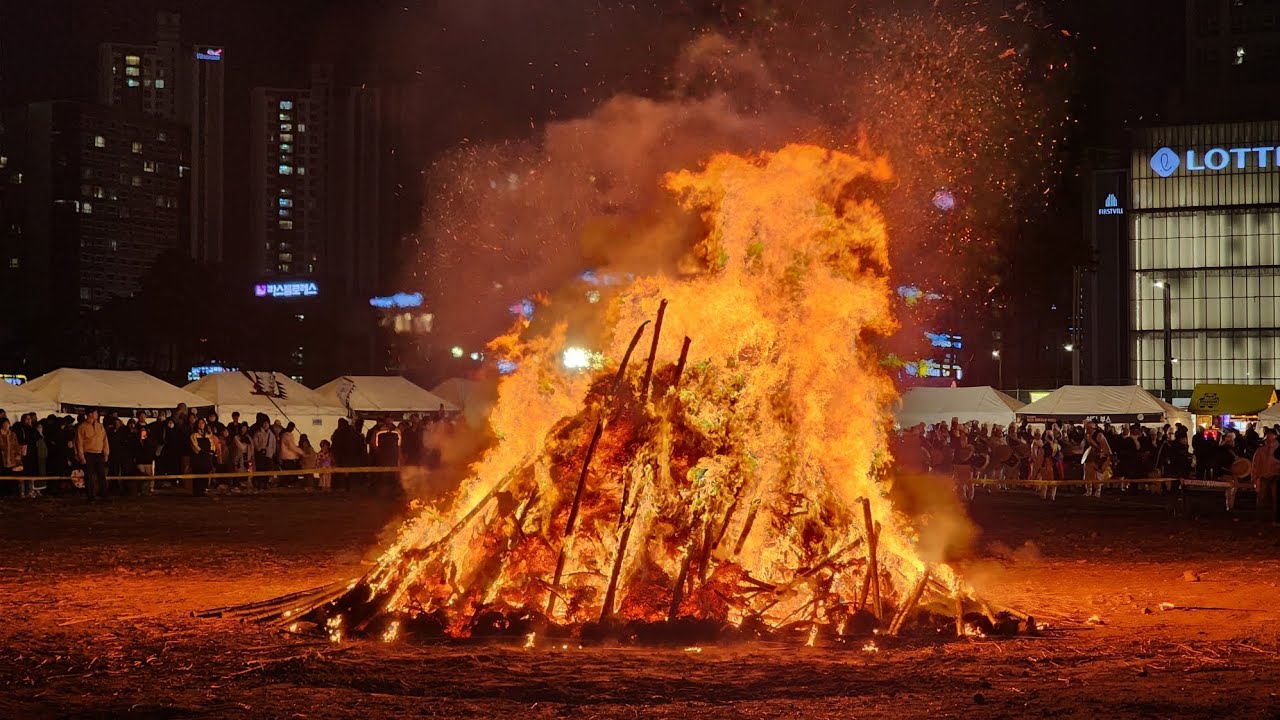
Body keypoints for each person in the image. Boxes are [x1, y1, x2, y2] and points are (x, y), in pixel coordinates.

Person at [76, 410, 110, 502]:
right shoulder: (82, 427)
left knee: (101, 475)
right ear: (90, 414)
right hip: (88, 453)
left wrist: (106, 453)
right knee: (89, 476)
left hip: (99, 453)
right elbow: (79, 442)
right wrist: (81, 456)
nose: (97, 415)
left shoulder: (100, 426)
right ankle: (90, 496)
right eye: (96, 413)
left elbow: (105, 440)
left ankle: (104, 495)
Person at [1252, 429, 1280, 524]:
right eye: (1267, 436)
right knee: (1262, 498)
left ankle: (1273, 518)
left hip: (1275, 476)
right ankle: (1261, 518)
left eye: (1271, 435)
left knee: (1275, 498)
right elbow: (1255, 465)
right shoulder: (1261, 450)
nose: (1269, 438)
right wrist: (1255, 478)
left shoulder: (1276, 450)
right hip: (1264, 476)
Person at [250, 415, 277, 490]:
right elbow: (255, 443)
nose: (265, 425)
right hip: (260, 455)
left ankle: (265, 483)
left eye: (267, 424)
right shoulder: (258, 433)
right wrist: (259, 449)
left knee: (268, 470)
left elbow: (274, 445)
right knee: (260, 469)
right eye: (264, 424)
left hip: (269, 455)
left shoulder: (272, 435)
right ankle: (260, 484)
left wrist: (272, 453)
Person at [190, 417, 215, 497]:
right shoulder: (194, 435)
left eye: (203, 423)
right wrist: (201, 452)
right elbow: (194, 445)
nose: (201, 424)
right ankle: (197, 492)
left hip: (207, 458)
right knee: (197, 475)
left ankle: (204, 490)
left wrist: (211, 451)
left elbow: (212, 444)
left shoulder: (208, 435)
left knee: (205, 474)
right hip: (198, 458)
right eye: (199, 423)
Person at [0, 418, 25, 496]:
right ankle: (3, 494)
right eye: (4, 424)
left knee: (12, 478)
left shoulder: (13, 435)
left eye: (7, 423)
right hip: (2, 461)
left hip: (12, 460)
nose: (6, 425)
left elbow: (16, 446)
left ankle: (12, 494)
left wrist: (18, 458)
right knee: (3, 478)